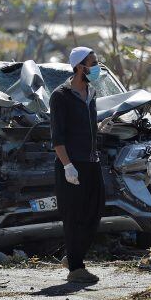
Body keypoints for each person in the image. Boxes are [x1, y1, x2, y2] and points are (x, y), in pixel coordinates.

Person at [49, 47, 113, 283]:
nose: (96, 67)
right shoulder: (61, 96)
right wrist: (67, 166)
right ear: (79, 67)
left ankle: (72, 255)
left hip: (91, 161)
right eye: (92, 63)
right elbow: (58, 137)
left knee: (95, 211)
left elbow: (86, 127)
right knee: (73, 215)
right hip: (71, 164)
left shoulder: (91, 92)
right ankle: (76, 267)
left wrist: (100, 130)